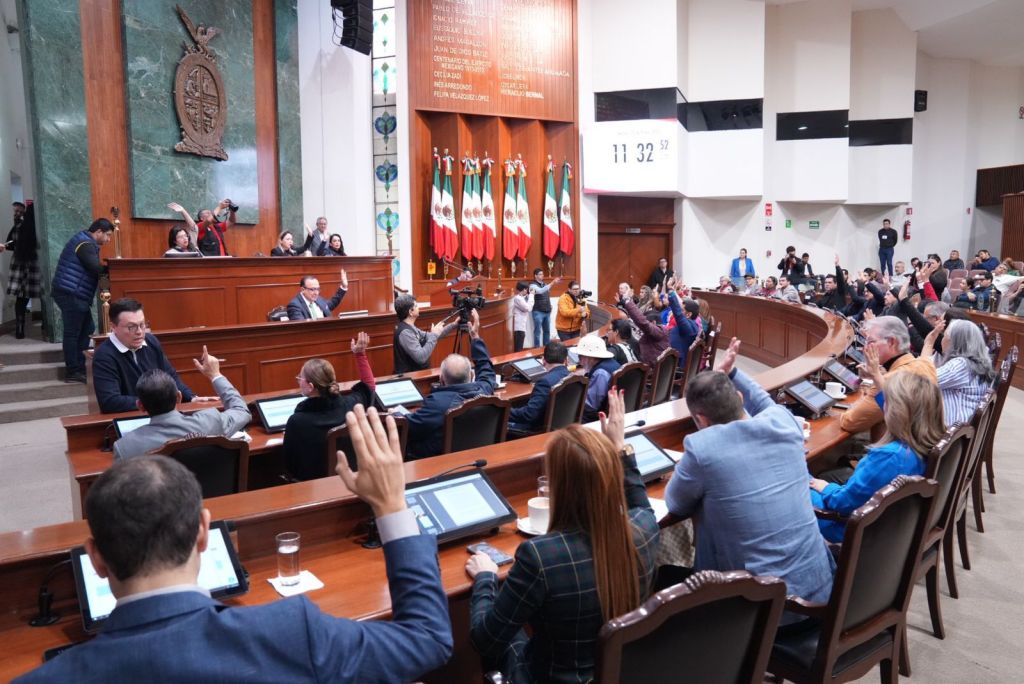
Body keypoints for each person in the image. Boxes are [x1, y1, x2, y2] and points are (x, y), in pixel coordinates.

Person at [14, 407, 452, 683]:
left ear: (95, 559)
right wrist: (391, 504)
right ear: (204, 533)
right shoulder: (291, 633)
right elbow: (426, 639)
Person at [467, 390, 658, 684]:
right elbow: (639, 503)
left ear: (557, 487)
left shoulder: (539, 557)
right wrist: (619, 448)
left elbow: (485, 641)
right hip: (616, 672)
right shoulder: (644, 528)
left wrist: (485, 578)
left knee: (507, 632)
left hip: (548, 678)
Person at [663, 338, 835, 615]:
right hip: (820, 593)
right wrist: (733, 373)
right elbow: (766, 404)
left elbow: (675, 503)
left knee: (666, 575)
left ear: (702, 420)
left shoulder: (702, 448)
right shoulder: (783, 421)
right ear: (741, 399)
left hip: (760, 616)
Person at [810, 372, 945, 542]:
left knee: (798, 478)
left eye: (887, 401)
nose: (884, 406)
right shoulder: (928, 443)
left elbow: (842, 503)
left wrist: (826, 488)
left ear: (897, 412)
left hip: (850, 529)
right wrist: (876, 376)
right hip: (891, 528)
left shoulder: (889, 457)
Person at [113, 348, 251, 460]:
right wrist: (215, 375)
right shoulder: (210, 421)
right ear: (179, 397)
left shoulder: (125, 447)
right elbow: (241, 410)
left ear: (140, 406)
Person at [405, 310, 497, 459]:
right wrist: (475, 336)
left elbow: (409, 426)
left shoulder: (437, 403)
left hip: (437, 463)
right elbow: (486, 371)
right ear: (471, 376)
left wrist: (396, 414)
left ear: (441, 380)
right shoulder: (483, 391)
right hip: (476, 458)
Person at [283, 333, 376, 480]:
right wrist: (360, 354)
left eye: (300, 378)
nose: (298, 381)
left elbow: (290, 466)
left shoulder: (297, 421)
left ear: (310, 387)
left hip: (313, 488)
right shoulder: (352, 405)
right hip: (352, 481)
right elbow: (369, 387)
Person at [94, 298, 198, 414]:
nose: (139, 332)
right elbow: (110, 401)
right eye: (131, 327)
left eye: (142, 325)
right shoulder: (104, 356)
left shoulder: (151, 341)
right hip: (130, 418)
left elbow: (171, 377)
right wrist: (156, 403)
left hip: (159, 414)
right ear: (113, 327)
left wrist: (192, 398)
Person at [838, 316, 937, 435]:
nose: (865, 348)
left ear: (891, 342)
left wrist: (855, 404)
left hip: (896, 444)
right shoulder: (926, 364)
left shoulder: (889, 382)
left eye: (871, 342)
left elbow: (849, 422)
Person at [51, 218, 114, 384]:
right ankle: (73, 370)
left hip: (74, 292)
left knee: (87, 328)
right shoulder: (85, 244)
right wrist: (113, 269)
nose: (108, 240)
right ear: (98, 231)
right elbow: (95, 268)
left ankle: (80, 367)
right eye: (107, 235)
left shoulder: (84, 241)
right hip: (71, 292)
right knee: (73, 332)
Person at [921, 320, 996, 427]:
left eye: (944, 336)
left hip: (951, 430)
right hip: (961, 428)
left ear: (953, 342)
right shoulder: (975, 361)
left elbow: (922, 380)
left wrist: (928, 344)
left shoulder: (961, 365)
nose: (942, 340)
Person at [507, 340, 571, 434]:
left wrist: (504, 411)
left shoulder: (544, 382)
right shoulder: (570, 376)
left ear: (543, 361)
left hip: (538, 432)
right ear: (566, 360)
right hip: (564, 429)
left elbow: (529, 415)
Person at [1, 202, 40, 339]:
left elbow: (9, 244)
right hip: (33, 265)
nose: (16, 214)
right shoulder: (38, 228)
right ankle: (46, 326)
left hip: (18, 264)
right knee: (40, 295)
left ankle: (20, 329)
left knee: (20, 298)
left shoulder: (18, 227)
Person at [392, 293, 457, 373]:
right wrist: (434, 334)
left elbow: (432, 336)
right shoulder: (405, 333)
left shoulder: (410, 327)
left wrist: (454, 324)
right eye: (416, 306)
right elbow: (421, 358)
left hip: (417, 375)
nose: (418, 308)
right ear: (410, 312)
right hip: (411, 378)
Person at [169, 199, 236, 257]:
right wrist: (220, 207)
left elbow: (231, 221)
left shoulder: (217, 227)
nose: (211, 214)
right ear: (202, 218)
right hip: (209, 263)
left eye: (211, 212)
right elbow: (209, 220)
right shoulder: (200, 227)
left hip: (223, 260)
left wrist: (232, 210)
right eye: (208, 213)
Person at [577, 333, 620, 422]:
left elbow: (591, 406)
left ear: (590, 357)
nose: (580, 362)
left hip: (599, 418)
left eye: (580, 357)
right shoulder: (612, 363)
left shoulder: (600, 373)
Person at [618, 292, 669, 366]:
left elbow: (642, 322)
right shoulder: (660, 331)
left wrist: (627, 302)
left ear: (654, 322)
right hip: (654, 365)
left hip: (650, 368)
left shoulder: (659, 331)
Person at [665, 288, 701, 359]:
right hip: (670, 354)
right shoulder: (690, 324)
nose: (680, 312)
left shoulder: (689, 327)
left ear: (688, 314)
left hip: (675, 361)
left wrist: (672, 293)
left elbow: (678, 314)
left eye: (682, 310)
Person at [529, 269, 561, 347]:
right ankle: (537, 349)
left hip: (547, 311)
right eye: (540, 274)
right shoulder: (532, 285)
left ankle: (546, 348)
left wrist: (549, 304)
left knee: (547, 331)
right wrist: (553, 282)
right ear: (535, 276)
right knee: (537, 331)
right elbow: (540, 291)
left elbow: (546, 295)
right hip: (538, 311)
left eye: (543, 274)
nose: (542, 275)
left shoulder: (544, 284)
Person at [511, 280, 534, 352]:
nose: (527, 291)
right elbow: (528, 308)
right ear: (524, 289)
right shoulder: (518, 298)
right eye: (527, 289)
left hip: (520, 327)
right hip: (519, 328)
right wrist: (531, 295)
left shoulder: (520, 298)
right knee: (518, 349)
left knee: (519, 348)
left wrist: (527, 296)